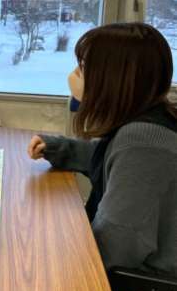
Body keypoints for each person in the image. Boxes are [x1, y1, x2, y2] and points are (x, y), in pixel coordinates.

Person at [28, 23, 177, 277]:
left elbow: (118, 242)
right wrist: (58, 148)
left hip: (139, 289)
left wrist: (56, 257)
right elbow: (106, 157)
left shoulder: (143, 144)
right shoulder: (147, 123)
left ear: (113, 79)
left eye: (84, 69)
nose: (75, 75)